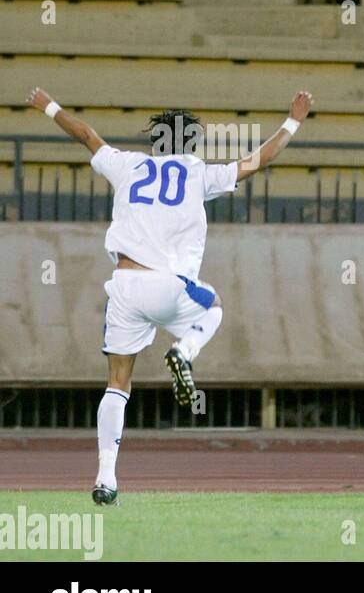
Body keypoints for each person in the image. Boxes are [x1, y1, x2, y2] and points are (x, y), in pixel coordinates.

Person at [25, 87, 314, 505]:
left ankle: (106, 478)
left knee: (118, 385)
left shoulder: (128, 165)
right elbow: (260, 159)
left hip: (123, 286)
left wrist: (48, 105)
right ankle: (185, 351)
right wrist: (294, 119)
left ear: (155, 141)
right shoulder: (198, 172)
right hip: (168, 284)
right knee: (212, 306)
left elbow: (87, 134)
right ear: (191, 142)